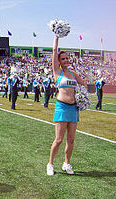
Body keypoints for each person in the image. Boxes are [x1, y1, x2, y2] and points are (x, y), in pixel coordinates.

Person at [47, 36, 87, 176]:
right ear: (58, 61)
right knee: (59, 140)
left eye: (67, 58)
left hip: (74, 109)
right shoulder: (57, 72)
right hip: (62, 107)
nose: (65, 60)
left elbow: (84, 84)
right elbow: (54, 50)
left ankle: (66, 163)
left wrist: (83, 94)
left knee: (71, 139)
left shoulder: (73, 74)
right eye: (62, 59)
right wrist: (56, 37)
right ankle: (50, 164)